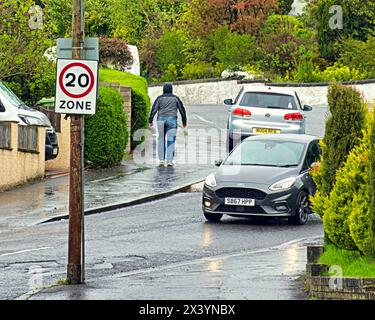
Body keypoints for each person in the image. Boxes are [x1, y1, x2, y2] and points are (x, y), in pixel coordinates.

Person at [148, 84, 187, 167]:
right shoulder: (175, 98)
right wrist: (184, 121)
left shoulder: (159, 98)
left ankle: (161, 160)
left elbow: (154, 109)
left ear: (163, 90)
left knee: (161, 139)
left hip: (161, 120)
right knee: (171, 140)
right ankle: (169, 161)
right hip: (172, 120)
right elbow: (182, 109)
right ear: (171, 90)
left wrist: (150, 120)